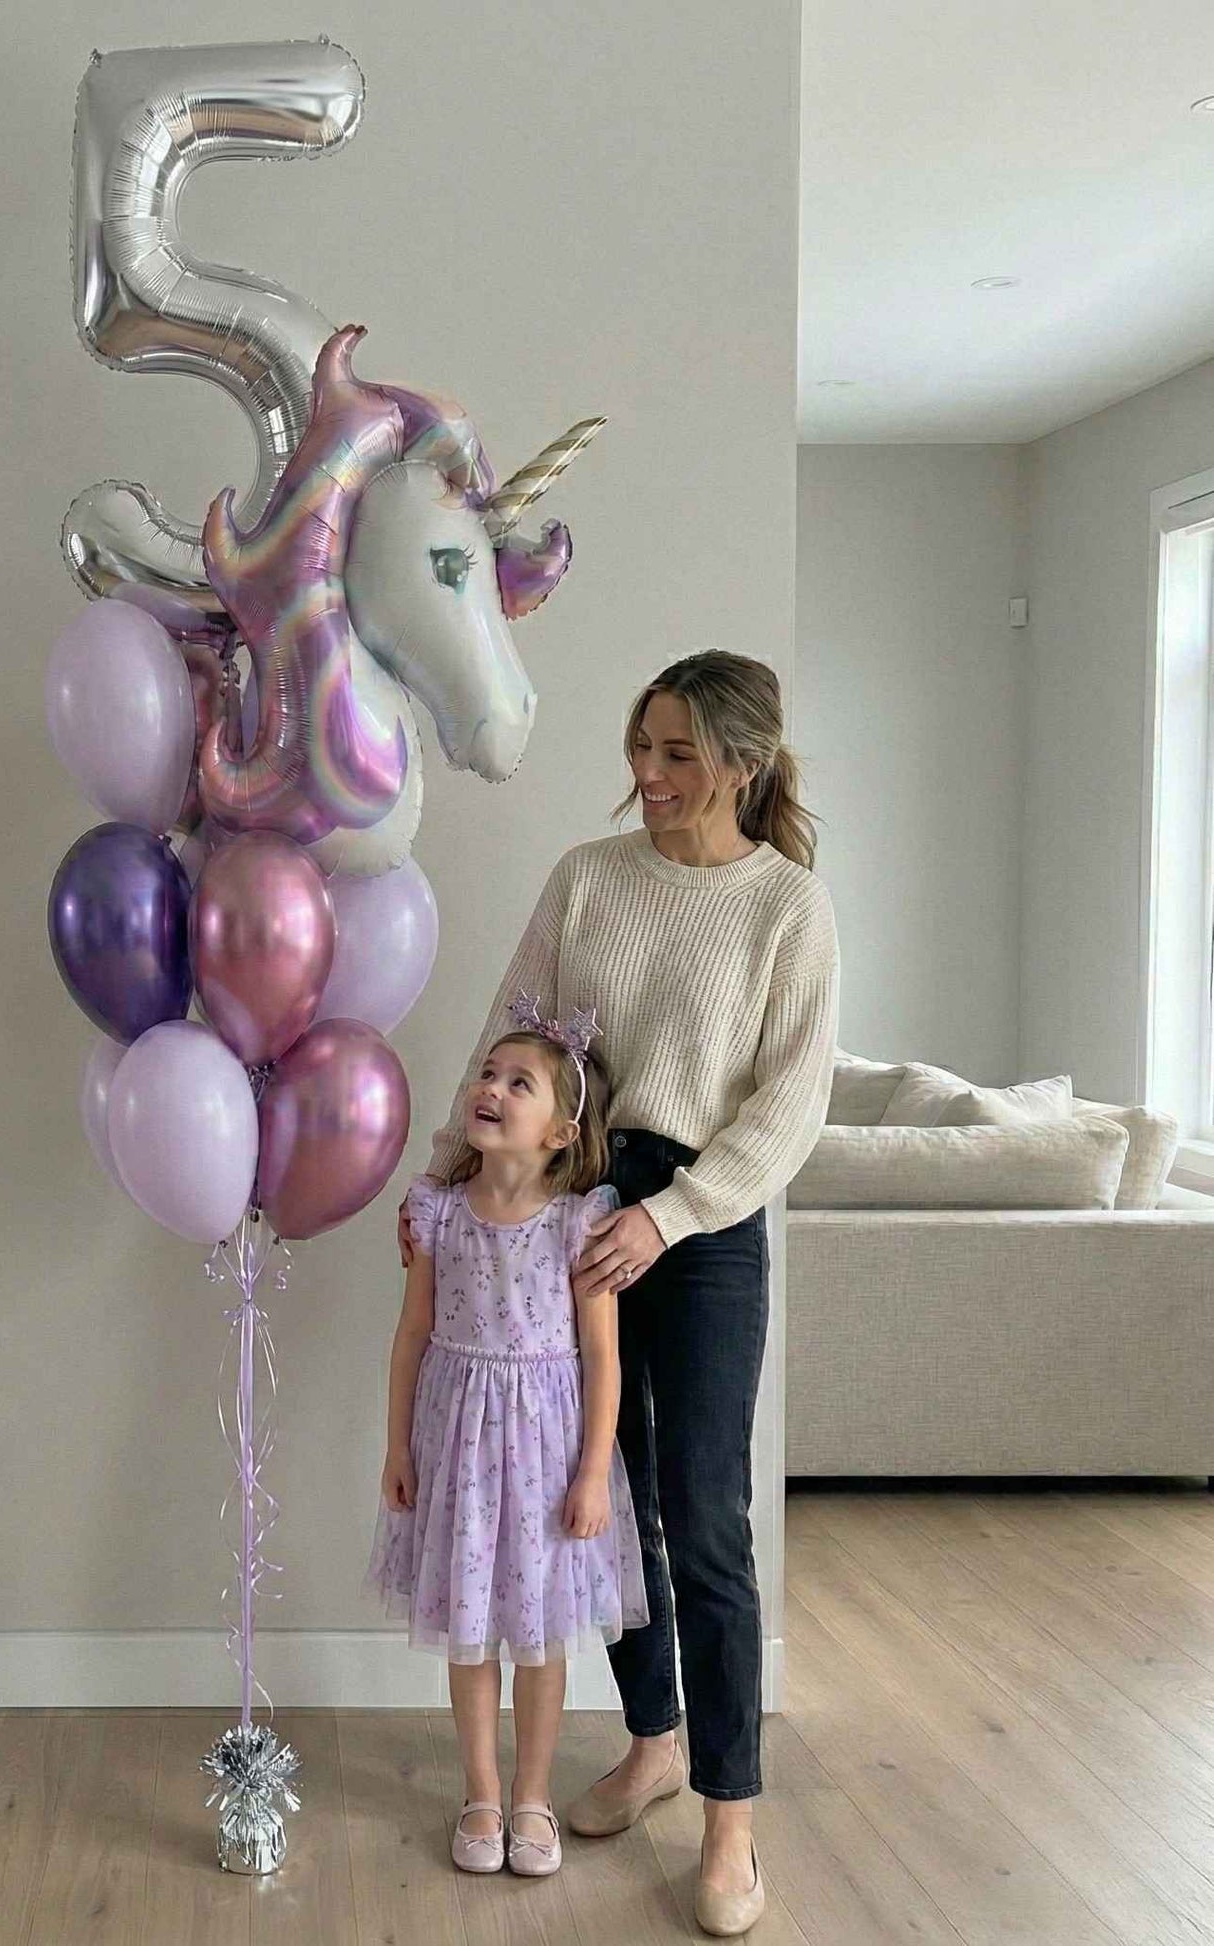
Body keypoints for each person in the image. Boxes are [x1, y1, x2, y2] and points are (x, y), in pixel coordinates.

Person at [407, 649, 838, 1938]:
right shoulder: (587, 881)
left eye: (672, 754)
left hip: (698, 1221)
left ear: (739, 766)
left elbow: (788, 1103)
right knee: (592, 1499)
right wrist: (440, 1179)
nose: (643, 777)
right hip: (570, 1209)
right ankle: (649, 1737)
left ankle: (727, 1816)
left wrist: (672, 1214)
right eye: (638, 747)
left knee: (701, 1513)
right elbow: (511, 1025)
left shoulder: (786, 908)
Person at [369, 1009, 647, 1879]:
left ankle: (531, 1795)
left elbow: (603, 1360)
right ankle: (481, 1792)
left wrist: (595, 1470)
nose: (489, 1090)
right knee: (469, 1632)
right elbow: (411, 1337)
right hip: (457, 1448)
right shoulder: (437, 1217)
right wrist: (398, 1449)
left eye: (516, 1083)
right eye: (487, 1074)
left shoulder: (579, 1227)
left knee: (537, 1637)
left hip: (546, 1457)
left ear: (562, 1131)